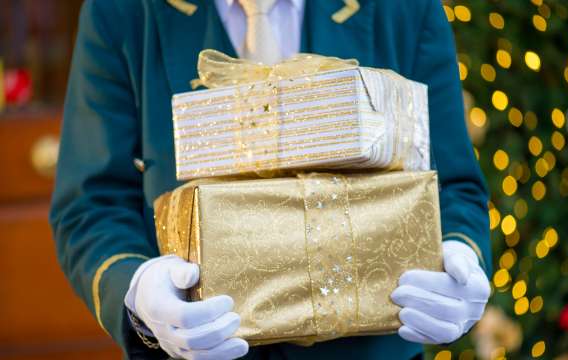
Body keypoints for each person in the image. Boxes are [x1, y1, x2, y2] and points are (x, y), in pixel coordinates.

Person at [50, 0, 492, 359]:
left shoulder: (404, 8)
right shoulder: (121, 10)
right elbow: (92, 202)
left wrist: (459, 258)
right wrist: (137, 287)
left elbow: (453, 185)